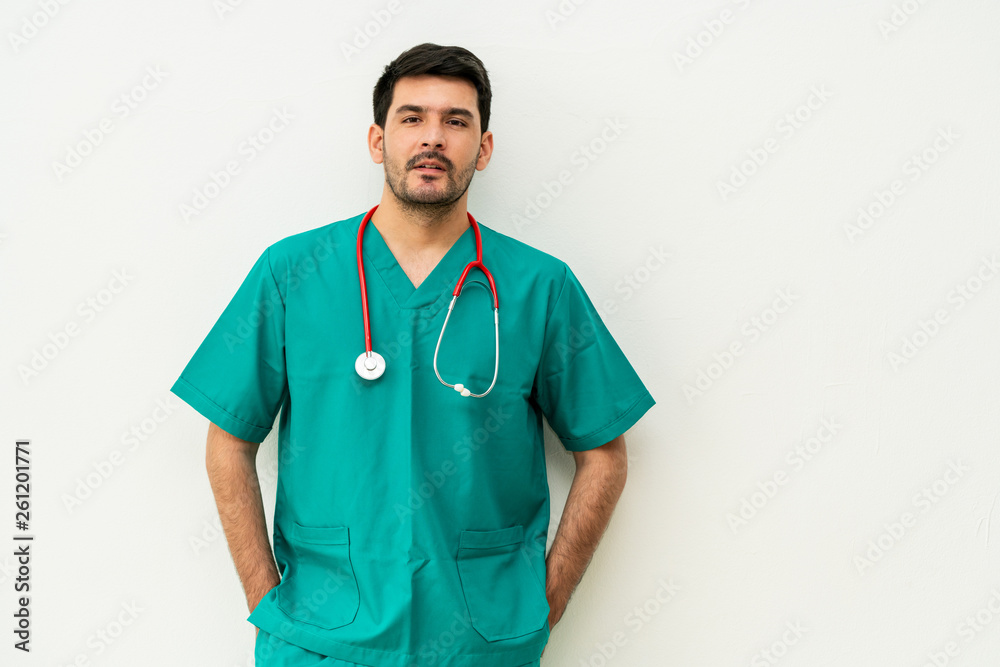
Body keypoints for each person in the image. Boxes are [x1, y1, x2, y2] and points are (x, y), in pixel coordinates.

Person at [170, 42, 656, 667]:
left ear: (483, 148)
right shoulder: (292, 273)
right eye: (412, 118)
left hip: (482, 641)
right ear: (378, 140)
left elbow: (604, 455)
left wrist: (544, 600)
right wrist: (267, 602)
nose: (433, 138)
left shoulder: (540, 286)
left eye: (456, 121)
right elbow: (227, 441)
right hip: (317, 638)